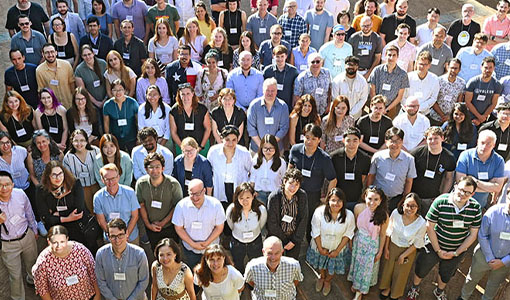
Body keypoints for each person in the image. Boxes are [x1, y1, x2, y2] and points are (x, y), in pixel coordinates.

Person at [405, 176, 482, 300]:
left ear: (473, 194)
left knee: (446, 274)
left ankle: (439, 291)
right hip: (433, 244)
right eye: (461, 190)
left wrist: (456, 252)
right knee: (421, 269)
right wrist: (438, 250)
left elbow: (473, 234)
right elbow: (429, 227)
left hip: (456, 249)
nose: (463, 194)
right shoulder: (441, 201)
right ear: (456, 186)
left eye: (468, 192)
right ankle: (415, 288)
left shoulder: (476, 208)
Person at [288, 124, 337, 240]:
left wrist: (327, 199)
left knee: (310, 223)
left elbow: (333, 179)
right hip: (295, 192)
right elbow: (289, 168)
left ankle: (309, 249)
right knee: (292, 220)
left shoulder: (324, 158)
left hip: (312, 195)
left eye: (314, 139)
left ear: (319, 140)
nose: (309, 141)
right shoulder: (295, 150)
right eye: (307, 137)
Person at [457, 198, 510, 300]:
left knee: (494, 284)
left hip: (504, 263)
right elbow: (482, 235)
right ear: (507, 197)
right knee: (472, 278)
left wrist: (504, 261)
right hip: (483, 256)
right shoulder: (493, 212)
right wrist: (490, 258)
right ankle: (464, 297)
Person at [306, 188, 355, 296]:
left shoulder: (349, 215)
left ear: (343, 202)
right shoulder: (319, 212)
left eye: (339, 201)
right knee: (321, 265)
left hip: (337, 248)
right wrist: (320, 249)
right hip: (320, 246)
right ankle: (322, 277)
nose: (336, 203)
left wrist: (337, 251)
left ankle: (328, 281)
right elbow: (315, 231)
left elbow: (348, 234)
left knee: (332, 267)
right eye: (333, 200)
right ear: (328, 200)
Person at [32, 225, 100, 300]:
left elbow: (93, 273)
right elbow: (43, 290)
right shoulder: (43, 262)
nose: (59, 246)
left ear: (67, 239)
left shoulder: (80, 250)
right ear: (49, 241)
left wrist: (97, 295)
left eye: (62, 242)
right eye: (55, 242)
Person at [379, 193, 426, 300]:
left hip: (408, 250)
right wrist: (386, 248)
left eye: (413, 206)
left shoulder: (422, 223)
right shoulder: (396, 213)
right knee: (388, 269)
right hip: (392, 245)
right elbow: (388, 231)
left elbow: (417, 243)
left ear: (418, 207)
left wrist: (403, 256)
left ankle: (395, 293)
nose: (410, 208)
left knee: (401, 274)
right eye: (407, 205)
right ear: (402, 205)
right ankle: (387, 288)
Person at [172, 179, 226, 269]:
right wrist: (193, 244)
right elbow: (178, 228)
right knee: (194, 274)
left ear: (204, 191)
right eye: (192, 194)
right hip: (190, 250)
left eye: (198, 194)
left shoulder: (215, 205)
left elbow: (219, 227)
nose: (195, 198)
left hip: (211, 249)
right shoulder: (181, 206)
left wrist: (207, 242)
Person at [0, 170, 38, 300]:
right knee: (15, 275)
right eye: (0, 185)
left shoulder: (20, 194)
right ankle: (18, 298)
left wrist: (34, 230)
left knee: (33, 264)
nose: (4, 188)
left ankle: (32, 281)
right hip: (8, 244)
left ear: (13, 184)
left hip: (27, 236)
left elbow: (29, 212)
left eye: (7, 184)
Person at [36, 160, 91, 249]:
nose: (58, 178)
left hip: (77, 225)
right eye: (54, 175)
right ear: (48, 176)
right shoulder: (41, 190)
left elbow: (79, 210)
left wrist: (57, 214)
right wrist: (67, 218)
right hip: (57, 228)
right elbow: (45, 217)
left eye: (60, 174)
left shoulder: (74, 183)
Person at [348, 186, 389, 300]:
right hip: (359, 241)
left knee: (366, 269)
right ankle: (356, 285)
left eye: (376, 199)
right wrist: (351, 242)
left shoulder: (384, 215)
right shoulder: (358, 208)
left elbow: (382, 234)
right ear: (365, 197)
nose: (372, 202)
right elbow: (355, 227)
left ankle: (360, 292)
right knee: (357, 265)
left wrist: (380, 251)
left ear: (380, 200)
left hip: (372, 244)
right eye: (370, 198)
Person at [136, 152, 182, 250]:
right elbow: (141, 205)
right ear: (146, 169)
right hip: (150, 227)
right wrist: (148, 225)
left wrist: (163, 222)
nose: (154, 170)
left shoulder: (173, 184)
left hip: (170, 227)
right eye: (151, 167)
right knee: (156, 252)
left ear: (163, 168)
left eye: (157, 166)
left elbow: (177, 207)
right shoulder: (141, 184)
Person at [95, 218, 149, 300]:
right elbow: (101, 282)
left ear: (127, 233)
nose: (117, 240)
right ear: (108, 237)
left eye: (120, 235)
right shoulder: (101, 255)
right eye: (113, 236)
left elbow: (143, 281)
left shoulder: (139, 254)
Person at [366, 127, 417, 211]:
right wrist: (368, 194)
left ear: (402, 142)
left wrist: (404, 199)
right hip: (377, 199)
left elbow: (409, 181)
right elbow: (371, 176)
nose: (395, 144)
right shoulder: (378, 157)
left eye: (398, 141)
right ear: (386, 141)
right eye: (392, 141)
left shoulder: (409, 159)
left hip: (397, 199)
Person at [410, 127, 455, 216]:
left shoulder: (449, 157)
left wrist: (442, 197)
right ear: (426, 140)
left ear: (442, 138)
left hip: (432, 198)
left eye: (436, 138)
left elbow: (448, 178)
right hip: (413, 196)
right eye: (430, 138)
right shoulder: (416, 153)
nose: (433, 141)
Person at [455, 130, 506, 208]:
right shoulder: (465, 155)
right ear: (477, 141)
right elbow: (460, 182)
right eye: (482, 143)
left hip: (481, 205)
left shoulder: (499, 160)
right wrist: (489, 187)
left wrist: (475, 182)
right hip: (461, 202)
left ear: (494, 145)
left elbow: (498, 187)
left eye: (488, 144)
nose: (484, 147)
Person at [266, 168, 309, 260]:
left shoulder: (302, 196)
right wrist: (284, 241)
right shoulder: (274, 197)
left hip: (294, 238)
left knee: (291, 264)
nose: (293, 188)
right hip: (277, 238)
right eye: (290, 183)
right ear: (285, 181)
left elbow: (303, 219)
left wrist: (294, 241)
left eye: (296, 185)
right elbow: (272, 223)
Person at [94, 163, 140, 244]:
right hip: (110, 238)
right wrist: (113, 237)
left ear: (118, 177)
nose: (110, 182)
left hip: (130, 237)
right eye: (107, 179)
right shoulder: (98, 197)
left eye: (113, 178)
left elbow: (135, 216)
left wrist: (126, 235)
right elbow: (101, 221)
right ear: (102, 180)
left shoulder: (130, 192)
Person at [226, 183, 267, 273]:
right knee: (238, 266)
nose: (245, 201)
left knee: (256, 267)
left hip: (255, 243)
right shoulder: (231, 210)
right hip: (237, 243)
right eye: (241, 198)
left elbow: (261, 224)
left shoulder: (261, 210)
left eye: (248, 198)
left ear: (253, 196)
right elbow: (231, 225)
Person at [207, 125, 251, 207]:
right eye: (227, 140)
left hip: (238, 188)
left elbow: (251, 171)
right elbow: (209, 172)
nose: (231, 143)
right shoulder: (213, 152)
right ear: (221, 139)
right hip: (220, 187)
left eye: (234, 140)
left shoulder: (244, 152)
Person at [331, 127, 371, 209]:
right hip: (337, 199)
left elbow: (363, 178)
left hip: (355, 199)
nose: (351, 144)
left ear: (360, 141)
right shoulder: (334, 157)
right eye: (348, 140)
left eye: (355, 140)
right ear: (343, 141)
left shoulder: (365, 159)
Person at [247, 78, 290, 152]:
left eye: (272, 91)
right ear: (263, 91)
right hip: (257, 149)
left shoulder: (283, 106)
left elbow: (284, 128)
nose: (270, 93)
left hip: (276, 149)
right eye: (267, 90)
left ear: (276, 91)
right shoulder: (254, 105)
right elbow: (251, 129)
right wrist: (262, 146)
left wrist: (270, 146)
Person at [63, 129, 100, 214]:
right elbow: (68, 178)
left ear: (87, 141)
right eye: (76, 141)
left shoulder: (95, 151)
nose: (79, 144)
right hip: (81, 189)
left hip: (96, 185)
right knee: (89, 212)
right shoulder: (68, 157)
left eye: (82, 140)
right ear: (72, 142)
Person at [170, 83, 212, 156]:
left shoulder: (202, 109)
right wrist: (183, 148)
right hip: (182, 148)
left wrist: (201, 147)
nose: (186, 97)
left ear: (193, 94)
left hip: (201, 146)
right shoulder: (174, 111)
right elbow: (173, 132)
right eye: (183, 94)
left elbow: (208, 129)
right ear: (179, 95)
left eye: (188, 93)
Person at [368, 45, 409, 118]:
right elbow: (372, 91)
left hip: (391, 108)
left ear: (397, 56)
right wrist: (378, 108)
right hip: (375, 107)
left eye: (394, 55)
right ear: (385, 55)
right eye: (389, 55)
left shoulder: (403, 74)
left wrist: (386, 110)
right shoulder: (377, 70)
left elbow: (400, 96)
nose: (391, 58)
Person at [36, 43, 76, 109]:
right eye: (47, 53)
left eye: (52, 52)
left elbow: (72, 83)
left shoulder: (66, 65)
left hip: (69, 104)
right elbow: (41, 90)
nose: (50, 55)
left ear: (56, 52)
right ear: (43, 54)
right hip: (53, 107)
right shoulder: (39, 70)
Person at [465, 56, 502, 126]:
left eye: (490, 68)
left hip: (484, 118)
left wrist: (483, 117)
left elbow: (493, 103)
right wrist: (479, 116)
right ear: (481, 67)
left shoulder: (497, 84)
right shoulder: (473, 82)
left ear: (494, 68)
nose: (488, 70)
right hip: (469, 117)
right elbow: (467, 101)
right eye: (486, 67)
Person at [250, 134, 287, 205]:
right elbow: (252, 177)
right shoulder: (256, 159)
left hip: (274, 194)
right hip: (259, 194)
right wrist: (252, 192)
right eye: (265, 148)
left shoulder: (281, 162)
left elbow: (284, 180)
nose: (268, 151)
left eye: (271, 148)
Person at [0, 132, 33, 205]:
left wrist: (31, 174)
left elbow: (29, 158)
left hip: (27, 187)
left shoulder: (20, 151)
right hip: (10, 193)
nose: (6, 146)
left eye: (7, 142)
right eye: (2, 143)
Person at [429, 58, 465, 125]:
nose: (453, 70)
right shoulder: (438, 81)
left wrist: (449, 116)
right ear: (447, 67)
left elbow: (459, 102)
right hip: (435, 118)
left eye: (456, 68)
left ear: (459, 70)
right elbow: (433, 99)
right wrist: (442, 116)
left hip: (451, 119)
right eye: (451, 68)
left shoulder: (462, 83)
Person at [263, 45, 299, 111]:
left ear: (286, 56)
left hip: (287, 106)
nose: (280, 59)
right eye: (277, 57)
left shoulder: (293, 71)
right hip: (270, 106)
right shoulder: (268, 71)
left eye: (282, 56)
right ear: (273, 56)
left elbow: (296, 89)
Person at [404, 51, 440, 117]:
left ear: (429, 65)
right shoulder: (408, 77)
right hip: (406, 112)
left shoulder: (434, 79)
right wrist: (410, 108)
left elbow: (433, 98)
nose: (421, 66)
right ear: (416, 63)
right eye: (420, 64)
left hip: (424, 114)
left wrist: (420, 108)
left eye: (425, 64)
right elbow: (402, 96)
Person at [75, 45, 108, 111]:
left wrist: (105, 99)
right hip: (91, 104)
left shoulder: (103, 64)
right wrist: (96, 103)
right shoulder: (79, 70)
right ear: (81, 56)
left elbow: (109, 82)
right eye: (85, 55)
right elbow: (83, 90)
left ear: (93, 53)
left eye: (89, 54)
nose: (87, 57)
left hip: (106, 100)